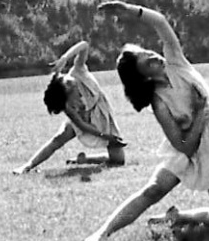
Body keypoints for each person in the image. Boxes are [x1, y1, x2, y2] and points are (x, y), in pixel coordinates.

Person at [84, 1, 209, 241]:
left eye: (149, 52)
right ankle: (101, 233)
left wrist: (130, 10)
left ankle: (176, 216)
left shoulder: (176, 61)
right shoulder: (159, 103)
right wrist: (200, 115)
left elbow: (161, 23)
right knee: (154, 189)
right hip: (189, 145)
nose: (154, 56)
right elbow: (184, 146)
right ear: (144, 76)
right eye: (147, 61)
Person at [13, 40, 125, 174]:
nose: (69, 84)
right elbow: (82, 125)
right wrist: (104, 135)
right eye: (70, 94)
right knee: (59, 138)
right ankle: (27, 166)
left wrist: (65, 57)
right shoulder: (67, 105)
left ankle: (82, 159)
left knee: (118, 161)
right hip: (85, 119)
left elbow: (84, 45)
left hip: (101, 113)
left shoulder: (78, 70)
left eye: (67, 84)